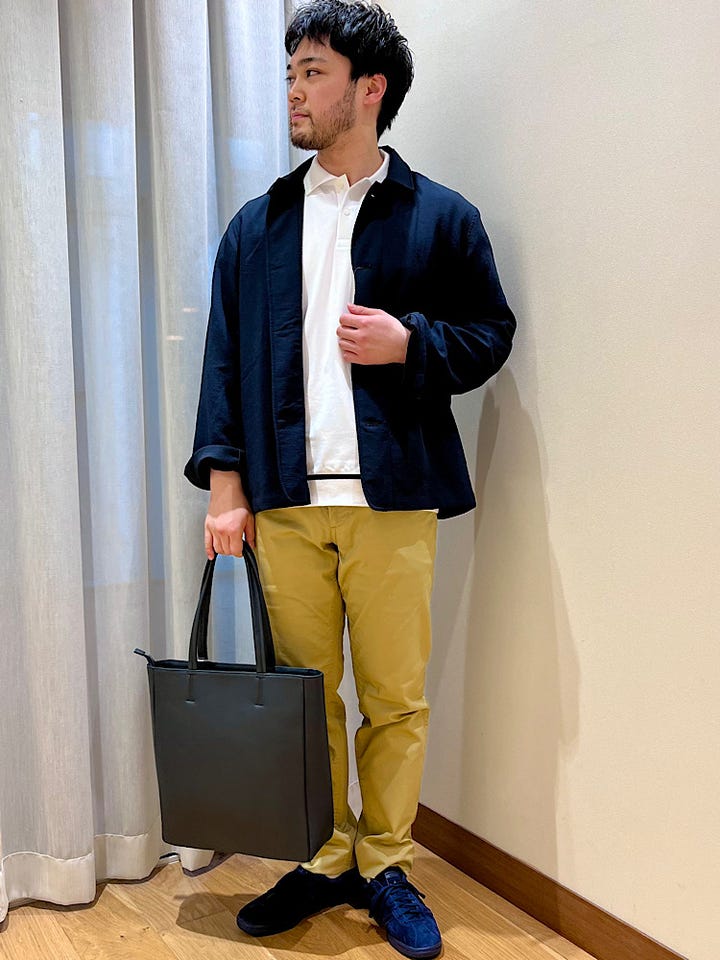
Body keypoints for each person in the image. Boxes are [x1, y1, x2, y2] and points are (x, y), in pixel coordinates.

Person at [184, 2, 516, 957]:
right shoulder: (257, 227)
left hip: (393, 499)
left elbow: (489, 335)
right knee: (305, 695)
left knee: (394, 698)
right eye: (291, 72)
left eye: (314, 72)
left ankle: (388, 863)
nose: (294, 89)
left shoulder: (441, 217)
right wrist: (226, 487)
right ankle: (327, 856)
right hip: (285, 502)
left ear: (369, 89)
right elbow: (223, 363)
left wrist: (411, 343)